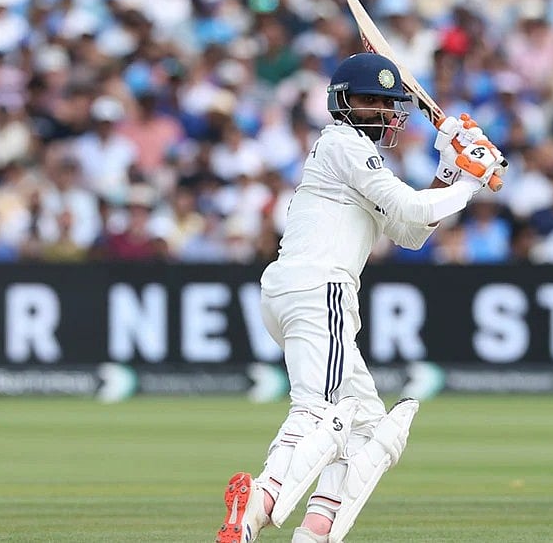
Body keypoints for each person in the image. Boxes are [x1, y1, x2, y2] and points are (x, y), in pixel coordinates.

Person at [214, 53, 506, 543]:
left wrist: (450, 168)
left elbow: (411, 231)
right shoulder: (343, 143)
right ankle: (255, 506)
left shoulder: (357, 163)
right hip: (319, 290)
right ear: (342, 102)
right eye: (369, 100)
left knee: (369, 429)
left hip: (297, 292)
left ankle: (315, 532)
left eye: (387, 102)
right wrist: (474, 179)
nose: (380, 110)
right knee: (318, 411)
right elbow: (412, 205)